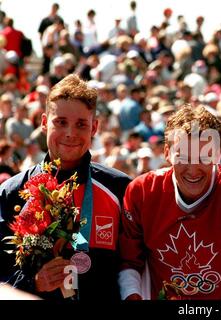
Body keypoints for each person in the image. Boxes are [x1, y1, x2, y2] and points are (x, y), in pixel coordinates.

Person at [0, 74, 132, 300]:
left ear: (94, 127)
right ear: (43, 123)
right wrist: (33, 283)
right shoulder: (12, 192)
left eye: (81, 124)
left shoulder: (120, 188)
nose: (70, 133)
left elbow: (134, 266)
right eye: (60, 122)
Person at [118, 105, 221, 300]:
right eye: (183, 157)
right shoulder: (143, 191)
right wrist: (132, 296)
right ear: (166, 152)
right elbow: (129, 261)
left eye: (204, 157)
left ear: (218, 154)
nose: (193, 169)